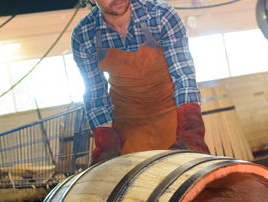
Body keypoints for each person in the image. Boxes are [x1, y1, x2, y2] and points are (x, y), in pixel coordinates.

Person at [72, 0, 210, 165]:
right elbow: (96, 96)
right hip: (127, 126)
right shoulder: (84, 35)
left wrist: (190, 132)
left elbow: (184, 77)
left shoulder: (161, 16)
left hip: (172, 119)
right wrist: (106, 144)